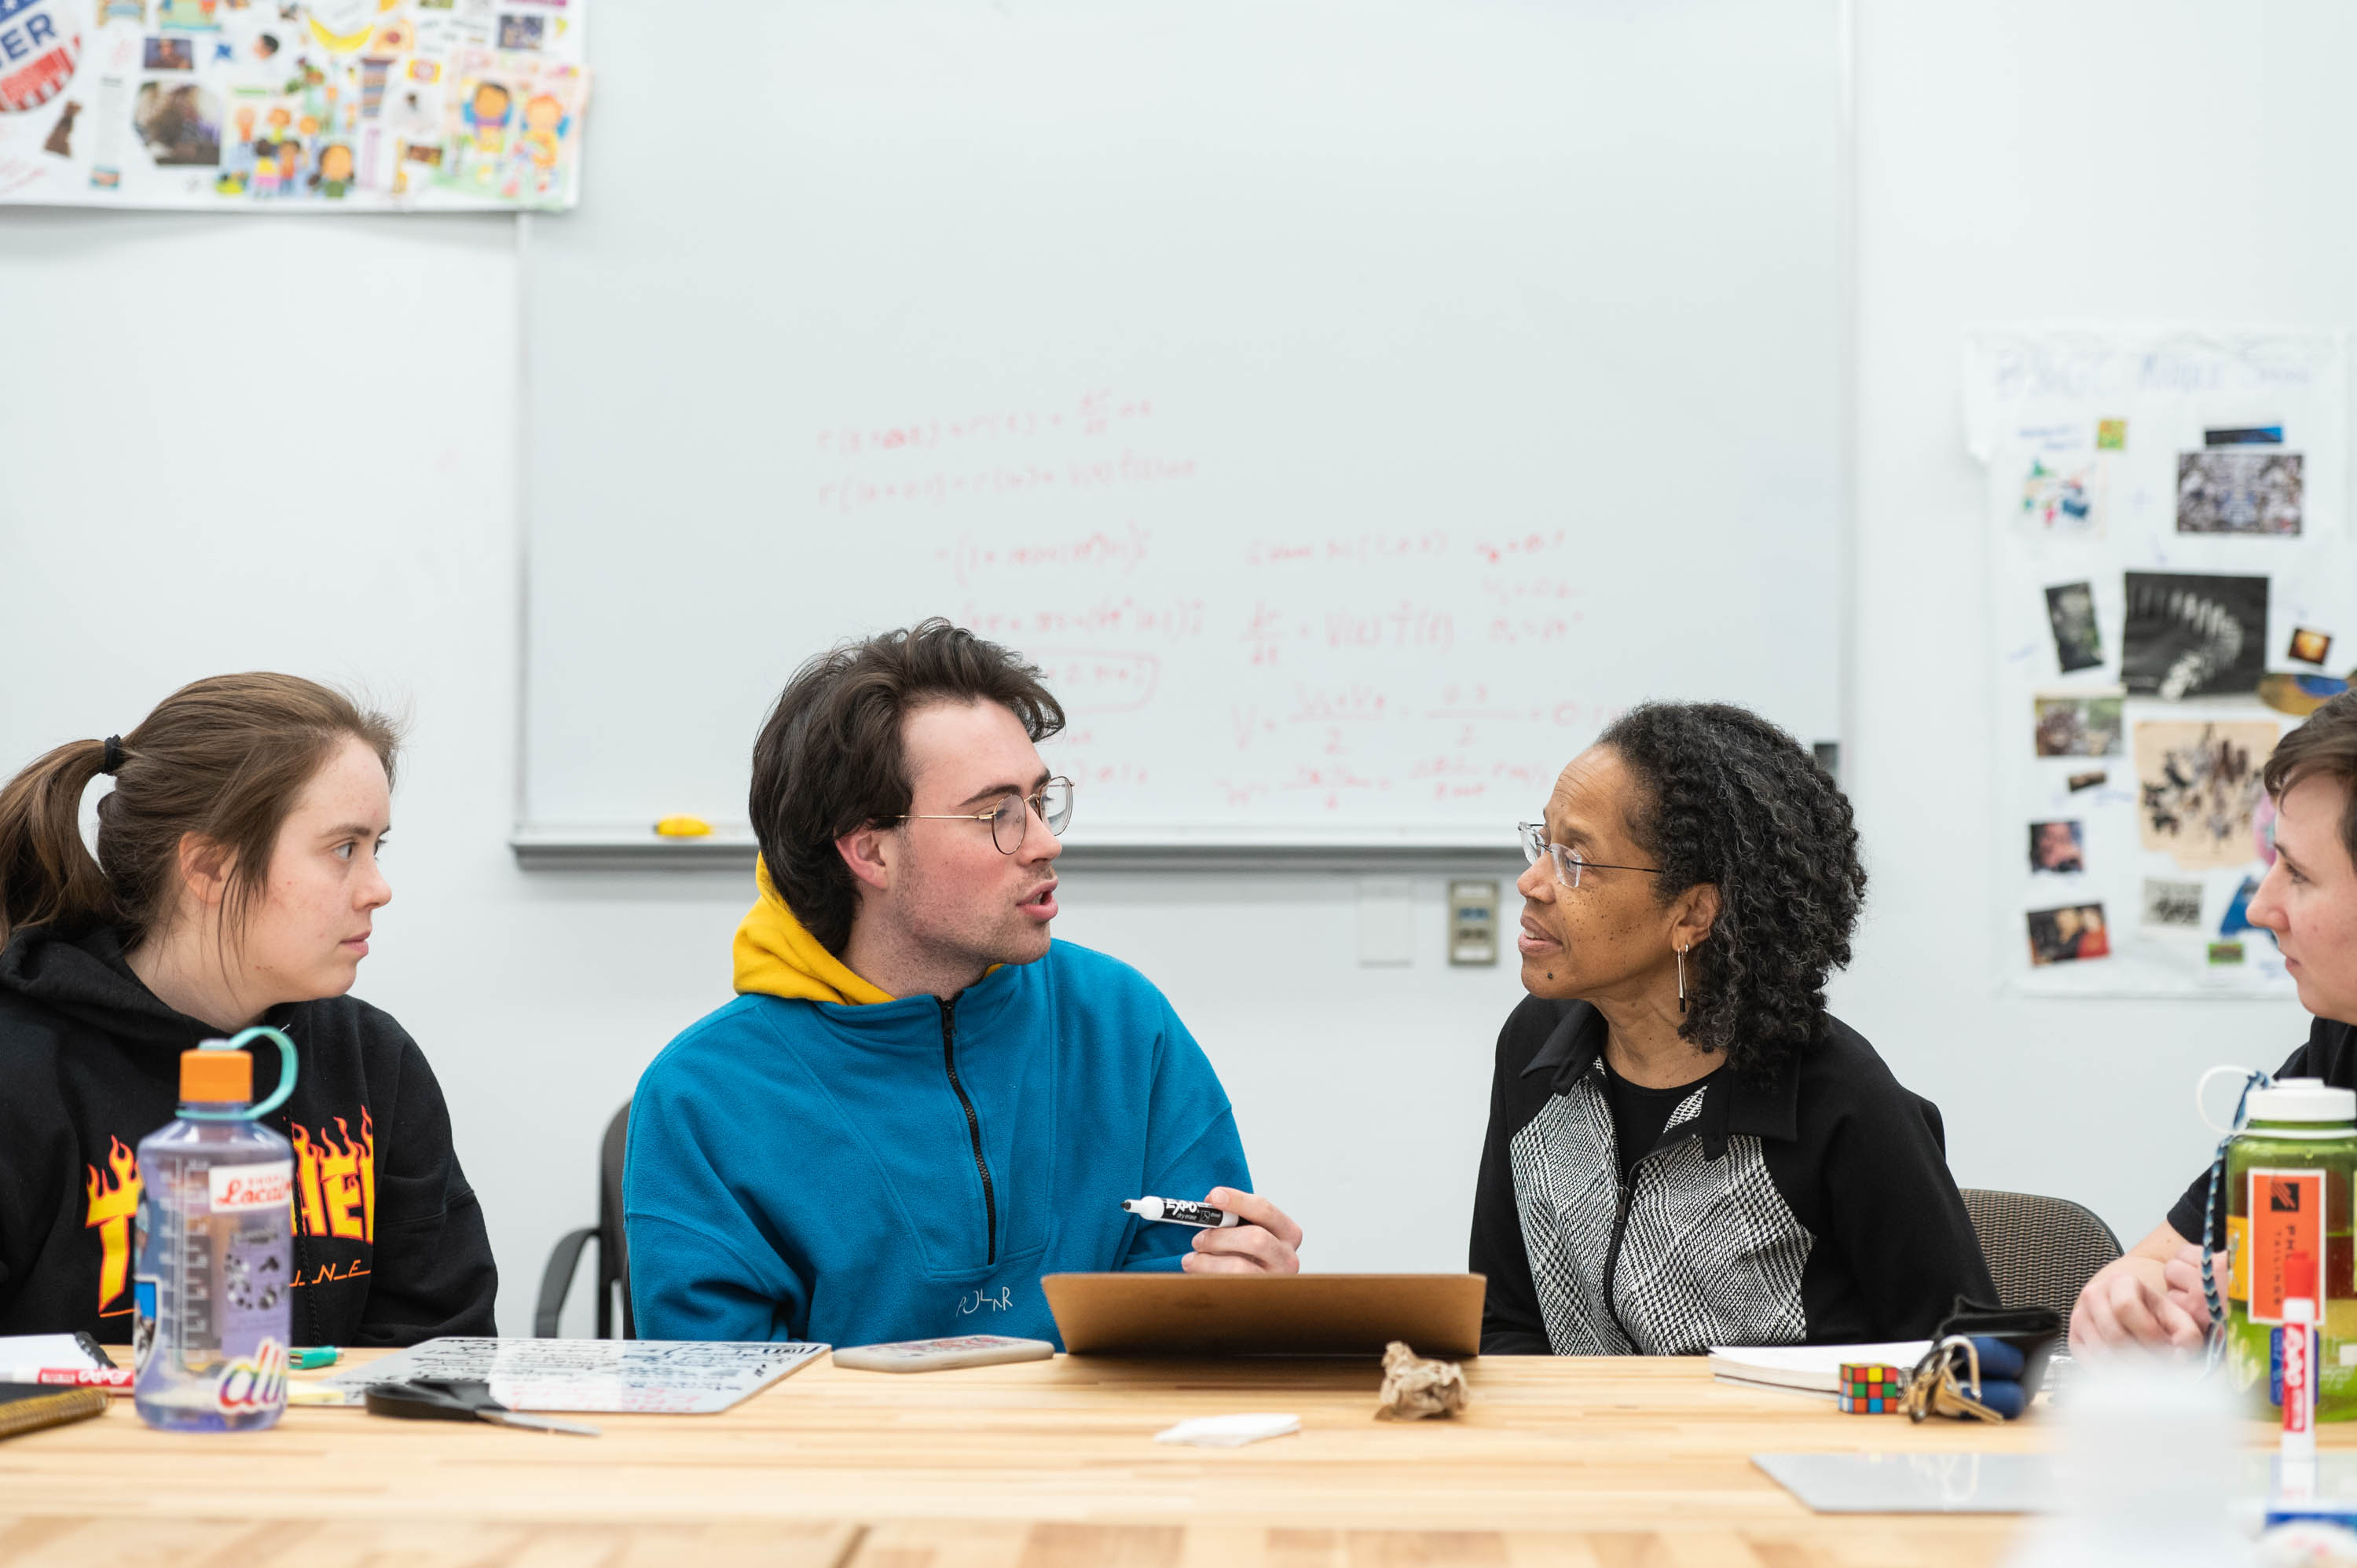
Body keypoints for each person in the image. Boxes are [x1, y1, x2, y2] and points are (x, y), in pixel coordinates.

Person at [625, 621, 1299, 1346]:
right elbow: (722, 1414)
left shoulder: (1122, 1022)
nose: (1045, 842)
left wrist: (1243, 1301)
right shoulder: (705, 1096)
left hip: (1102, 1459)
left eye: (1041, 802)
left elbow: (1189, 1310)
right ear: (870, 851)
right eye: (996, 816)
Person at [1470, 702, 1992, 1354]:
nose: (1531, 882)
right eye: (1542, 844)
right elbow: (1505, 1325)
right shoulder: (1537, 1051)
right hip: (1587, 1451)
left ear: (1692, 914)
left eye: (1576, 860)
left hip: (1788, 1454)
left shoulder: (1841, 1101)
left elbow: (1968, 1364)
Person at [0, 674, 497, 1345]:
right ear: (208, 869)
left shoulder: (373, 1060)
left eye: (376, 848)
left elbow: (441, 1352)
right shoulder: (21, 1068)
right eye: (344, 849)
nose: (378, 889)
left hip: (330, 1450)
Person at [2073, 691, 2357, 1352]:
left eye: (2300, 874)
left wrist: (2290, 1287)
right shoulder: (2334, 1051)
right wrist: (2121, 1300)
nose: (2261, 908)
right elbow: (2158, 1263)